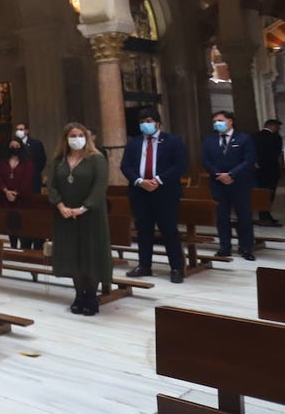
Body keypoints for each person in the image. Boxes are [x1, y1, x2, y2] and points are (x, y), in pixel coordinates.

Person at [47, 123, 111, 316]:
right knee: (72, 254)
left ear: (87, 137)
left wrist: (83, 208)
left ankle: (91, 296)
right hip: (65, 215)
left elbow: (100, 187)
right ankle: (79, 295)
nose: (77, 139)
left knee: (90, 254)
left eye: (80, 135)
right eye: (72, 135)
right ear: (66, 139)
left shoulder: (96, 159)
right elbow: (51, 186)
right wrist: (61, 206)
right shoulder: (58, 161)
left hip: (90, 214)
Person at [120, 108, 188, 283]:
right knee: (143, 230)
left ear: (158, 123)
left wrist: (158, 180)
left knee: (169, 230)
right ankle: (144, 265)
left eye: (149, 121)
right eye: (142, 122)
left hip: (165, 192)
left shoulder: (172, 141)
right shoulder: (134, 143)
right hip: (140, 192)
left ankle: (176, 267)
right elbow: (125, 166)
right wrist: (139, 181)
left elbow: (179, 165)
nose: (145, 125)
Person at [201, 110, 257, 260]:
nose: (217, 124)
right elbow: (206, 160)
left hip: (240, 183)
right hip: (218, 183)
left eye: (220, 120)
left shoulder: (244, 138)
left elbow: (248, 160)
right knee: (221, 217)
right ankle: (225, 247)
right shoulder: (209, 140)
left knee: (244, 217)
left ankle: (246, 248)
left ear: (230, 121)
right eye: (214, 122)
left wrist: (232, 174)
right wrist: (218, 175)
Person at [0, 139, 37, 248]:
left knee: (23, 226)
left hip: (22, 200)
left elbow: (27, 179)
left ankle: (24, 248)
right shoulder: (3, 162)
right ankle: (13, 246)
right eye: (12, 146)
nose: (14, 148)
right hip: (6, 200)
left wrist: (16, 193)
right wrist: (6, 191)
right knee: (10, 226)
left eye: (17, 145)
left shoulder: (27, 162)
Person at [253, 119, 283, 226]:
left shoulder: (255, 136)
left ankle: (262, 214)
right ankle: (266, 214)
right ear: (273, 127)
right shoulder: (276, 138)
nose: (278, 129)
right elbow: (278, 155)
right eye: (278, 127)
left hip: (258, 170)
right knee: (270, 193)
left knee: (260, 192)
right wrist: (281, 169)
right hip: (271, 170)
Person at [15, 122, 48, 193]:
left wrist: (35, 171)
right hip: (19, 179)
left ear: (27, 131)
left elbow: (42, 160)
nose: (18, 131)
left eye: (21, 129)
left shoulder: (36, 143)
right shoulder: (13, 144)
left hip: (34, 178)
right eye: (17, 129)